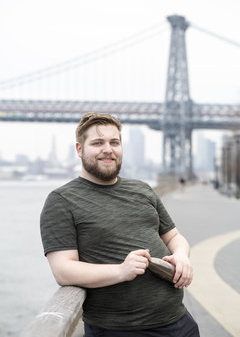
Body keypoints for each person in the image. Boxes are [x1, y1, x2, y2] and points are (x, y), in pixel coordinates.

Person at [40, 112, 200, 337]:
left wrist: (182, 255)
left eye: (114, 142)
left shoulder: (142, 189)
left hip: (179, 321)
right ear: (79, 149)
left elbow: (174, 237)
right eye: (97, 143)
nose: (108, 149)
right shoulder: (61, 200)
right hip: (119, 330)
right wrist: (121, 271)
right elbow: (63, 270)